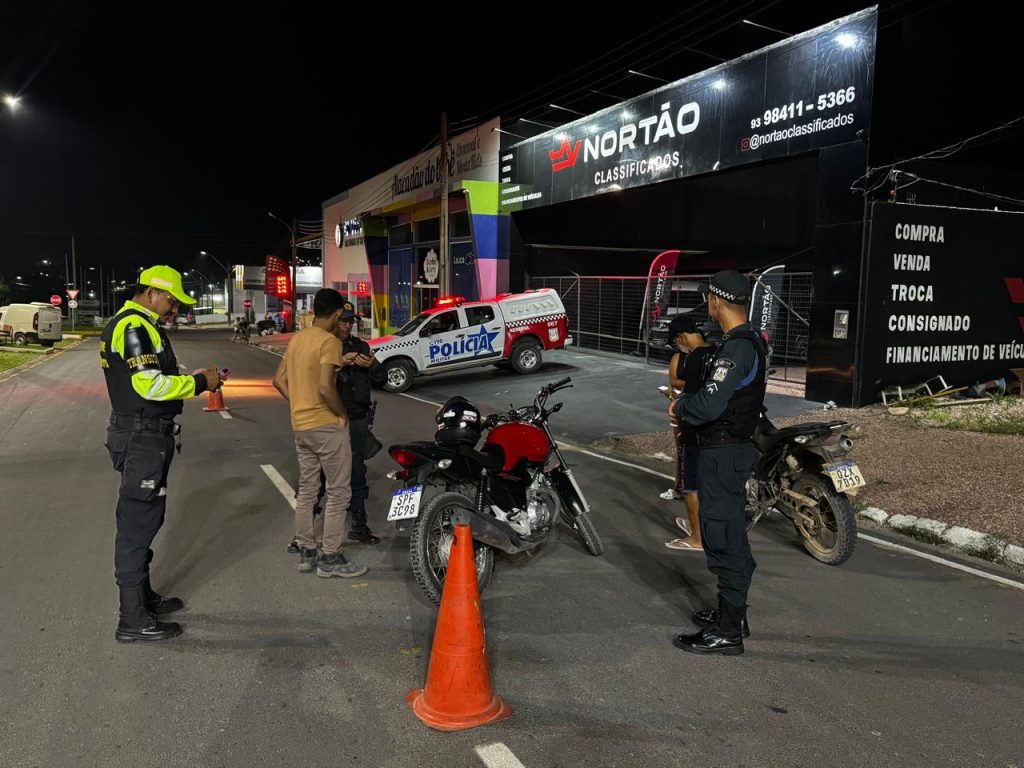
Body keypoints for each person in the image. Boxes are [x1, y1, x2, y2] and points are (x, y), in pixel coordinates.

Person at [101, 266, 222, 642]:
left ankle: (142, 598)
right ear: (152, 292)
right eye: (171, 300)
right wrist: (201, 382)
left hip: (144, 435)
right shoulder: (135, 327)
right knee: (137, 525)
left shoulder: (136, 324)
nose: (173, 309)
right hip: (142, 437)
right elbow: (150, 385)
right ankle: (132, 619)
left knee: (148, 516)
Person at [669, 270, 767, 656]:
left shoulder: (737, 348)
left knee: (721, 536)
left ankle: (728, 632)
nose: (707, 304)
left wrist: (680, 406)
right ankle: (733, 613)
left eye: (708, 298)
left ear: (716, 301)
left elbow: (709, 404)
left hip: (723, 453)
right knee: (730, 533)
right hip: (730, 450)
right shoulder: (748, 340)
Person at [272, 288, 367, 578]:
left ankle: (307, 551)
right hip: (326, 426)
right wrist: (342, 415)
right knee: (339, 492)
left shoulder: (297, 339)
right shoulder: (329, 342)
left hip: (301, 427)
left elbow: (278, 380)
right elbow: (327, 387)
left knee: (308, 490)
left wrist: (299, 404)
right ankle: (331, 557)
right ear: (337, 313)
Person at [663, 315, 713, 552]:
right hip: (716, 433)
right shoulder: (717, 353)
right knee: (709, 484)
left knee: (689, 485)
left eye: (676, 343)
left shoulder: (694, 359)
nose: (678, 348)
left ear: (681, 337)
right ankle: (705, 529)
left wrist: (678, 409)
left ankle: (697, 537)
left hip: (695, 432)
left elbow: (692, 399)